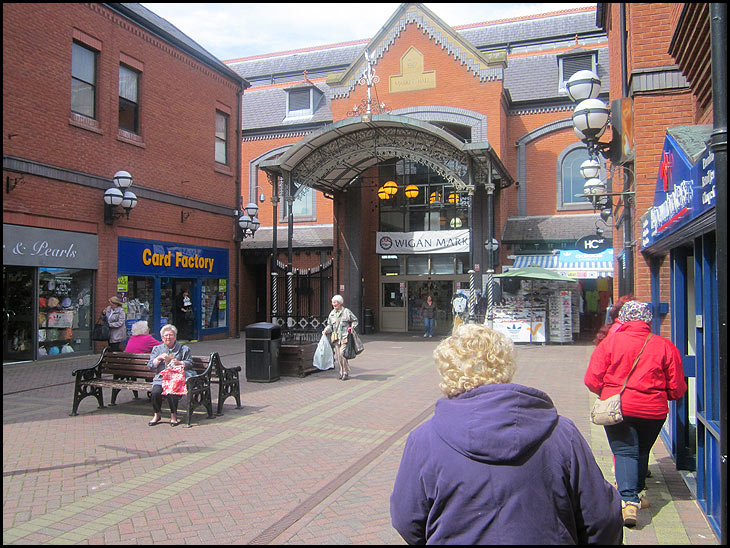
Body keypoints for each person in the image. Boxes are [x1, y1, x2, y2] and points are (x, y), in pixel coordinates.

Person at [390, 323, 623, 545]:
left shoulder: (424, 438)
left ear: (447, 371)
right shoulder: (562, 433)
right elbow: (601, 517)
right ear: (504, 364)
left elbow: (407, 518)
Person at [585, 301, 686, 527]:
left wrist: (606, 391)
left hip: (619, 406)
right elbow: (677, 386)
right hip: (653, 409)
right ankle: (638, 494)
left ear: (624, 319)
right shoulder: (664, 346)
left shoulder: (610, 343)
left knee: (624, 452)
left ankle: (628, 501)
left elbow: (591, 379)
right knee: (641, 451)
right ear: (648, 320)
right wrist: (664, 394)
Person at [147, 324, 194, 427]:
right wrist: (158, 358)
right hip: (161, 378)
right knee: (155, 392)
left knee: (171, 392)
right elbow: (150, 366)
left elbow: (190, 363)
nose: (168, 338)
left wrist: (179, 362)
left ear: (175, 337)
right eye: (166, 336)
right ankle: (157, 414)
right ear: (162, 338)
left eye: (171, 335)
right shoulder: (157, 349)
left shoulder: (183, 349)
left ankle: (173, 416)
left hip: (176, 378)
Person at [322, 295, 358, 381]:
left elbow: (355, 320)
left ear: (340, 303)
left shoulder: (346, 312)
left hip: (345, 337)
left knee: (342, 354)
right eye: (333, 302)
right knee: (338, 356)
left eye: (335, 302)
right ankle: (342, 372)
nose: (333, 304)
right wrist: (325, 330)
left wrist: (352, 327)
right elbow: (330, 325)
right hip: (336, 338)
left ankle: (345, 372)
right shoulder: (332, 314)